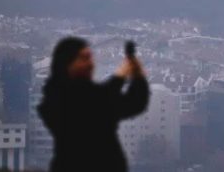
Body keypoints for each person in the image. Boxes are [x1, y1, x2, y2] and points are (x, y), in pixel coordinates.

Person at [37, 37, 150, 172]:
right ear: (67, 63)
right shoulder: (61, 101)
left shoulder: (55, 97)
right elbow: (96, 104)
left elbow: (126, 102)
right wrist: (127, 75)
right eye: (84, 58)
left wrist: (129, 75)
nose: (90, 64)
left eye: (90, 58)